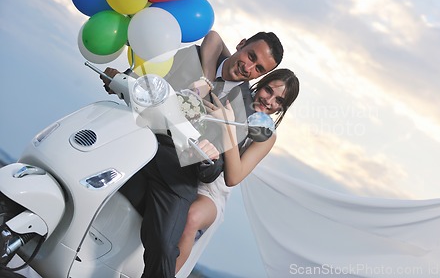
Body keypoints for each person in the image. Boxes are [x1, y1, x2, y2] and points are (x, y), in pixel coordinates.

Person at [101, 30, 284, 278]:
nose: (249, 67)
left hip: (177, 172)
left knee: (165, 244)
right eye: (251, 56)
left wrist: (211, 157)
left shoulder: (243, 112)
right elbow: (150, 79)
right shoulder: (196, 55)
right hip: (135, 140)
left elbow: (215, 170)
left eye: (258, 69)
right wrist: (122, 80)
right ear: (241, 44)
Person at [175, 68, 300, 276]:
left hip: (211, 191)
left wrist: (228, 128)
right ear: (260, 84)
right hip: (189, 167)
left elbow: (234, 177)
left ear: (282, 108)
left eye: (279, 101)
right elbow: (216, 45)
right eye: (268, 90)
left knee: (192, 218)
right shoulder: (234, 98)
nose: (269, 101)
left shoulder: (267, 137)